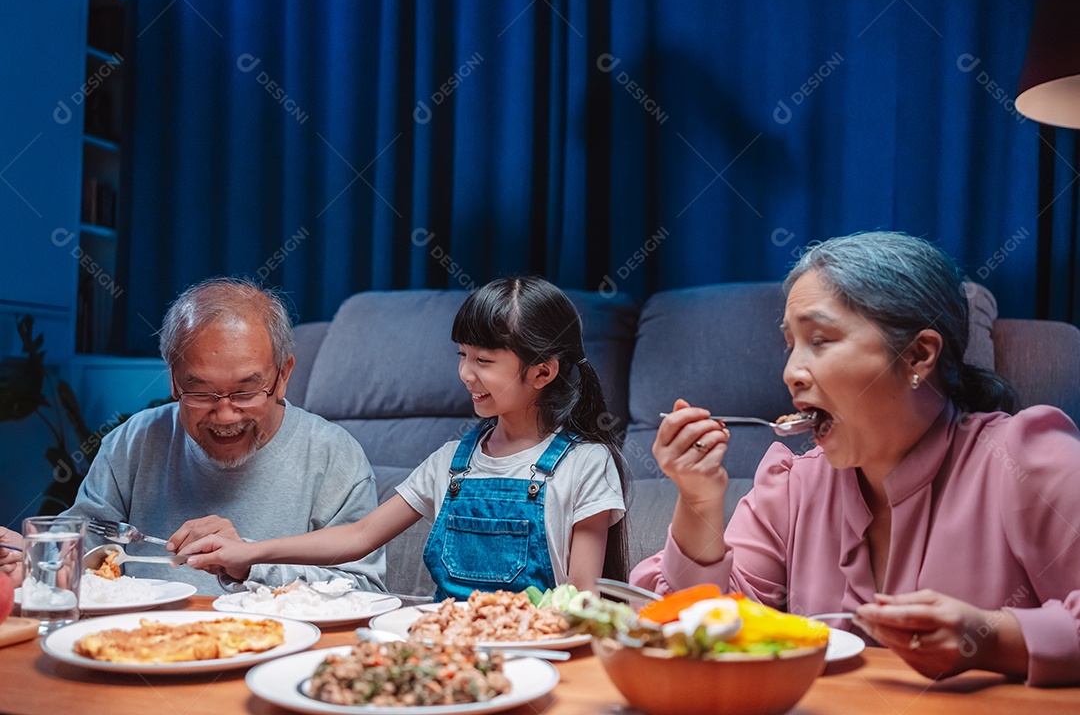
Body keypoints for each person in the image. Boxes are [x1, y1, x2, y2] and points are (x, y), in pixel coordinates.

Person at [630, 231, 1080, 687]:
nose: (791, 373)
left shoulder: (1026, 461)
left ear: (918, 355)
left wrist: (990, 641)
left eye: (820, 340)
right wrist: (698, 501)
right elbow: (696, 627)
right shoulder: (793, 485)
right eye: (791, 345)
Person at [181, 275, 629, 600]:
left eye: (485, 361)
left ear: (542, 371)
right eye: (462, 356)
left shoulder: (585, 464)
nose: (465, 373)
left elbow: (580, 600)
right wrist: (250, 554)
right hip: (446, 654)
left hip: (540, 657)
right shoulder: (451, 462)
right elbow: (357, 536)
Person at [0, 277, 386, 595]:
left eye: (245, 392)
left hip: (269, 655)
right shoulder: (133, 442)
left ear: (283, 376)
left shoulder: (335, 457)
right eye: (200, 392)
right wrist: (31, 561)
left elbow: (362, 589)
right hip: (134, 645)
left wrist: (250, 563)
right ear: (172, 380)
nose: (224, 414)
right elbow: (82, 552)